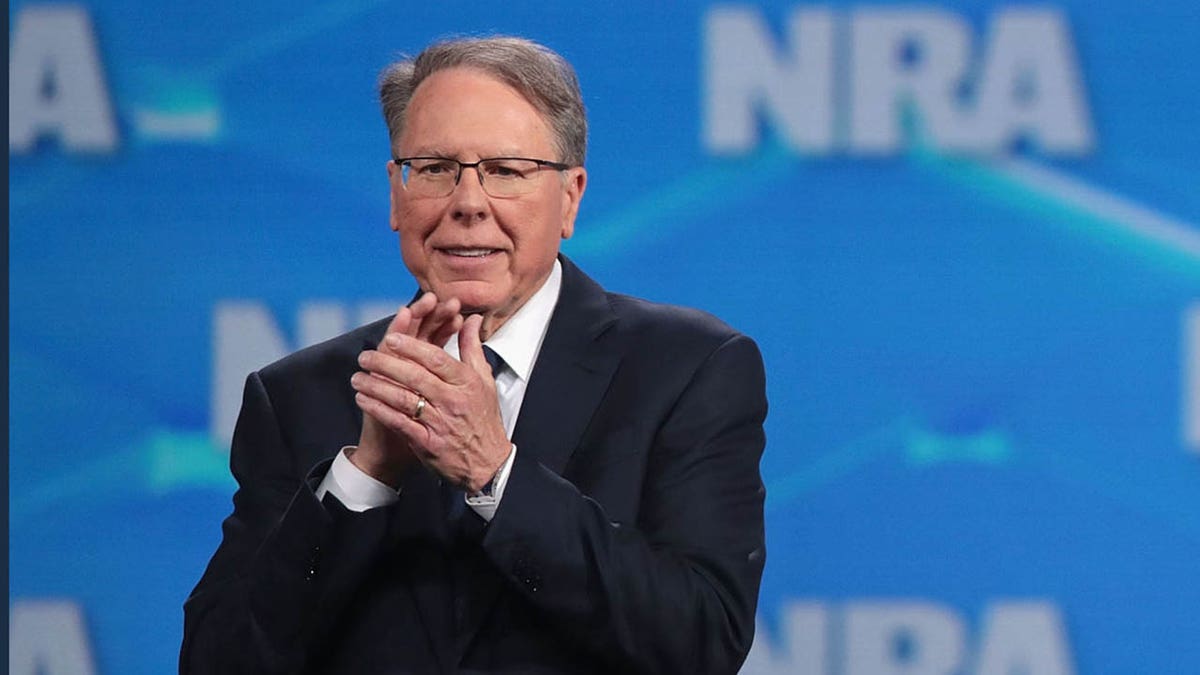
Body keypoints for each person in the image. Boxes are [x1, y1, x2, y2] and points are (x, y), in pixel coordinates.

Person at [181, 35, 767, 675]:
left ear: (569, 198)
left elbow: (702, 641)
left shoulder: (687, 369)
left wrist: (497, 475)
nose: (467, 203)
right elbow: (220, 662)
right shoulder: (299, 396)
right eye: (433, 169)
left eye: (506, 171)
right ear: (396, 195)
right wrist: (364, 478)